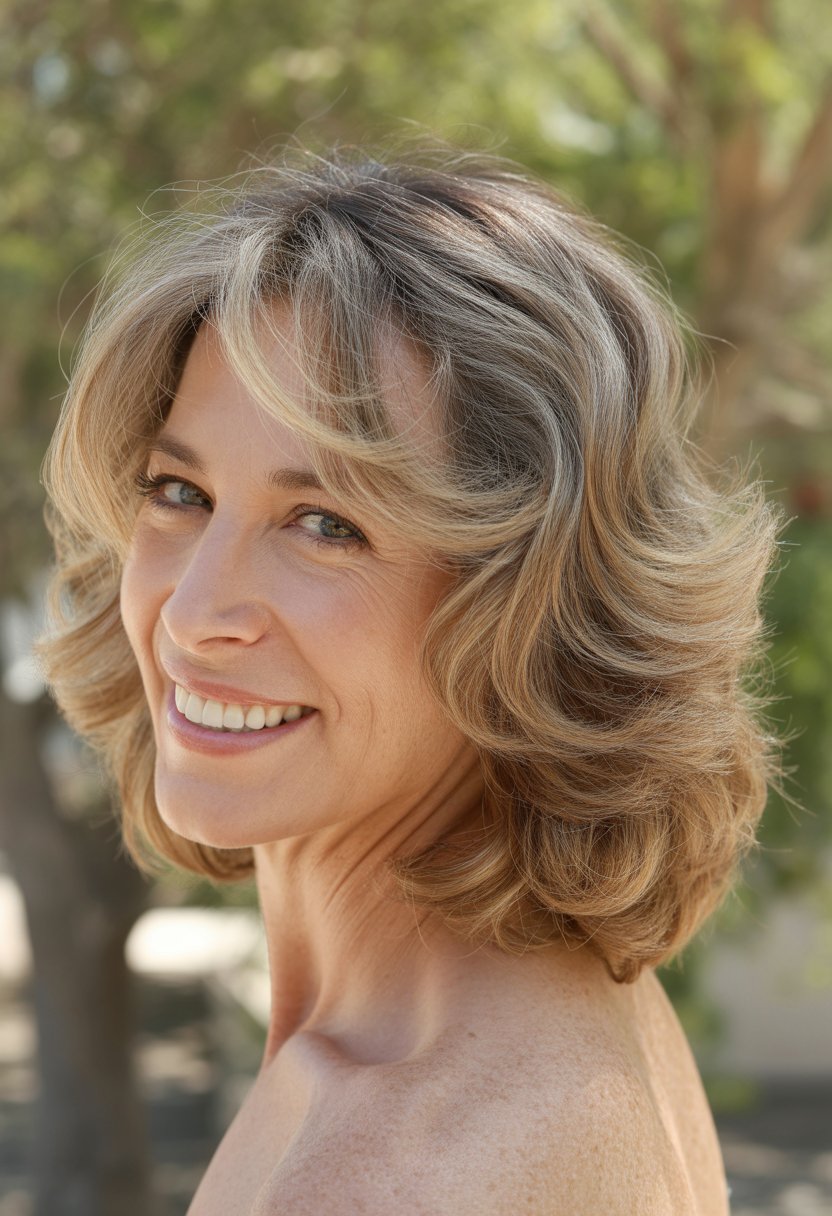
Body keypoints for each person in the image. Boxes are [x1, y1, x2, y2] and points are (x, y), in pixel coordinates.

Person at [35, 142, 779, 1215]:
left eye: (325, 523)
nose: (192, 614)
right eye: (179, 492)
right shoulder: (571, 1015)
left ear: (525, 607)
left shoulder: (394, 1171)